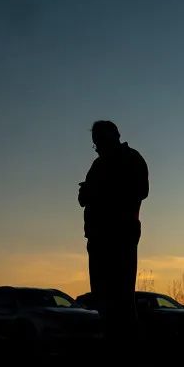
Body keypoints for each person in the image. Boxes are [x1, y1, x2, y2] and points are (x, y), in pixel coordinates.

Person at [78, 120, 149, 340]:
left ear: (114, 137)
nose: (97, 147)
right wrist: (89, 191)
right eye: (95, 143)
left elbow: (141, 191)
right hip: (98, 238)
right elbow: (83, 198)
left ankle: (126, 347)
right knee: (102, 298)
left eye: (99, 141)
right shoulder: (97, 165)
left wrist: (99, 190)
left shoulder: (131, 159)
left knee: (122, 298)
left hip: (120, 236)